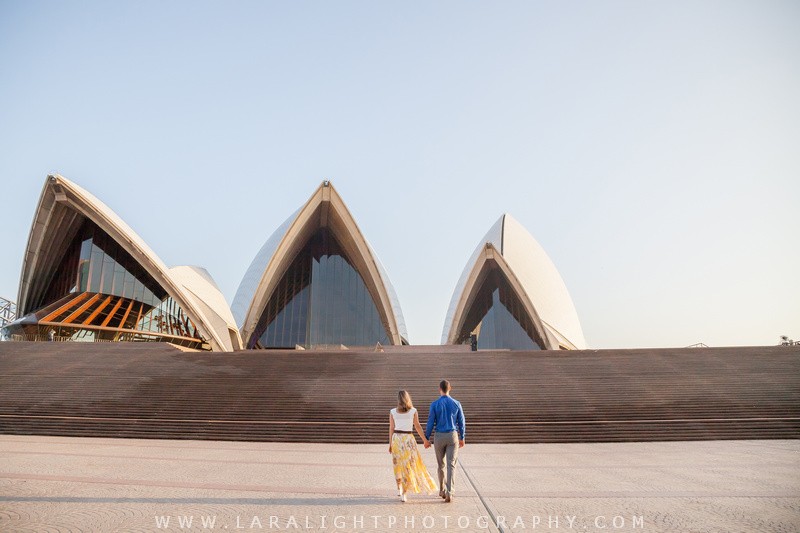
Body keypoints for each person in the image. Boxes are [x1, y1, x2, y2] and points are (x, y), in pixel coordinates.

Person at [389, 390, 437, 502]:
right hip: (408, 440)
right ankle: (403, 492)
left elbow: (391, 428)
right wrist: (425, 440)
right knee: (407, 466)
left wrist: (390, 443)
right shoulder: (413, 411)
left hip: (397, 439)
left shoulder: (392, 412)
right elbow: (417, 426)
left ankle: (400, 488)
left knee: (398, 465)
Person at [424, 379, 466, 503]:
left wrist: (427, 438)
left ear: (439, 389)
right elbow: (461, 421)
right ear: (450, 388)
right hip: (452, 435)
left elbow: (430, 422)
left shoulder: (435, 404)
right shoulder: (456, 403)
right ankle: (450, 492)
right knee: (451, 465)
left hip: (439, 436)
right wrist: (462, 437)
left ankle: (442, 489)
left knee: (440, 465)